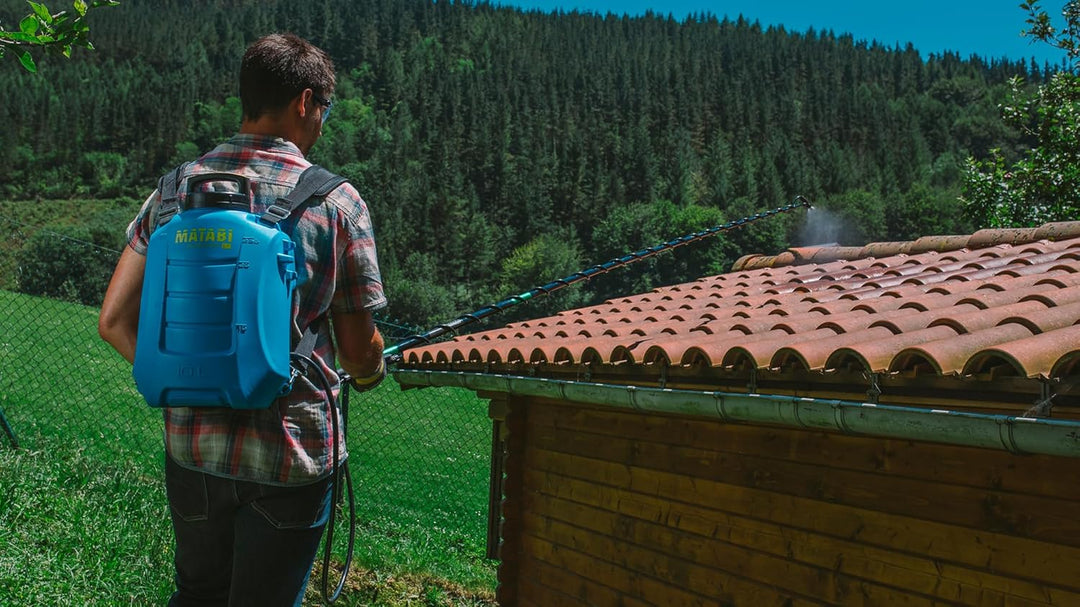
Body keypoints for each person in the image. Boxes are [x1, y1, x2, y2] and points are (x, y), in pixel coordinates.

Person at [98, 33, 386, 606]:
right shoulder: (337, 203)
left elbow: (113, 320)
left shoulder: (175, 191)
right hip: (291, 454)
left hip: (194, 449)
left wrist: (190, 378)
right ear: (305, 101)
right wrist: (372, 369)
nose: (323, 121)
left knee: (196, 594)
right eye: (325, 108)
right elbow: (358, 351)